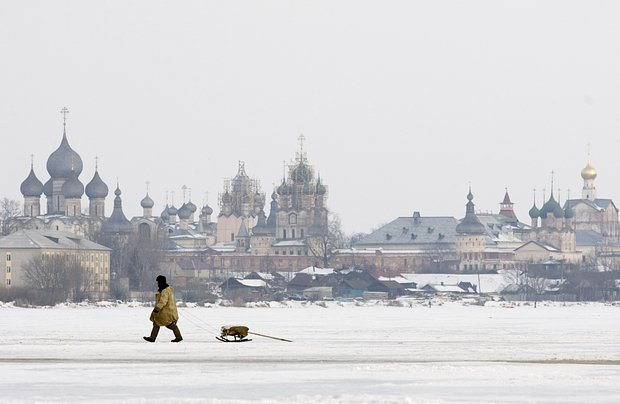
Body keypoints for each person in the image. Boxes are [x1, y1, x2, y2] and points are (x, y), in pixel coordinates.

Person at [143, 275, 183, 343]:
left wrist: (157, 308)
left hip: (166, 312)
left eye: (158, 282)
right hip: (164, 311)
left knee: (169, 324)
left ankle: (179, 337)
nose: (157, 283)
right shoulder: (164, 289)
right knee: (156, 323)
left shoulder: (165, 291)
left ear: (160, 282)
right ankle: (152, 337)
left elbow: (163, 301)